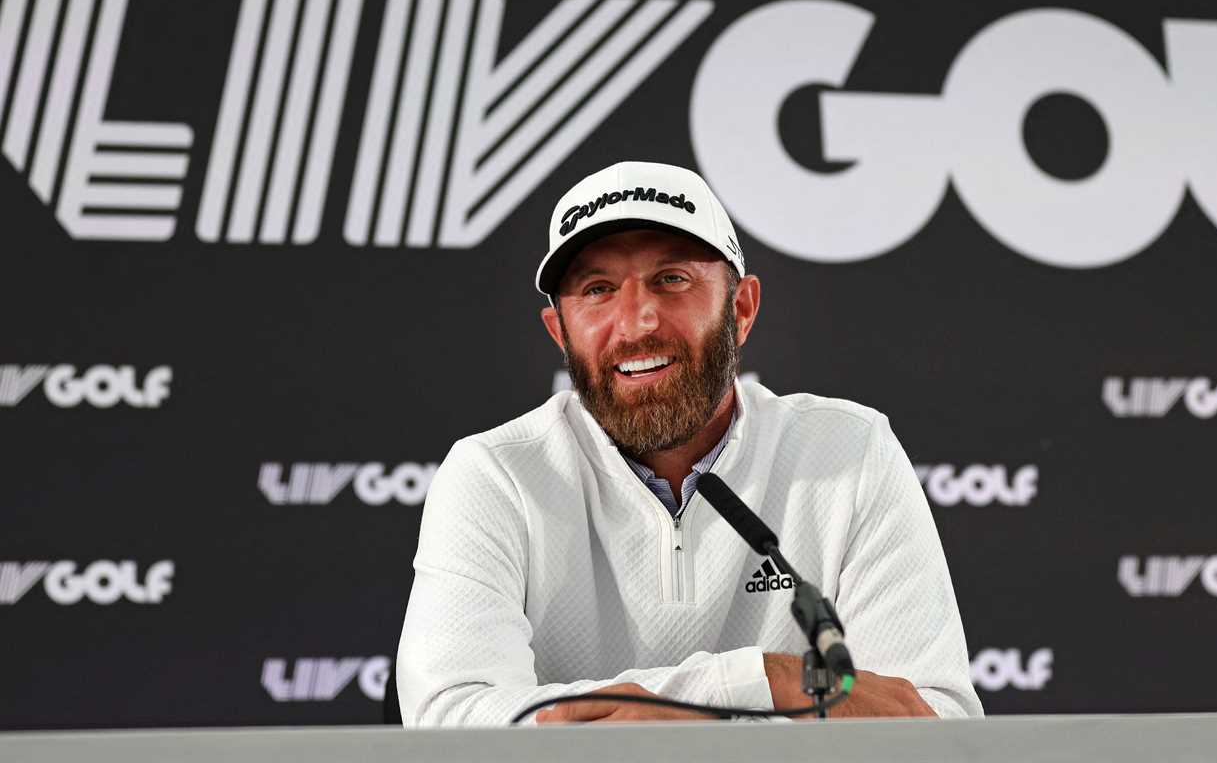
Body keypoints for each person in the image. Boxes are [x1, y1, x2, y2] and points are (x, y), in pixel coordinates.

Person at [396, 161, 982, 726]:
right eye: (597, 290)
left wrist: (646, 720)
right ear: (560, 331)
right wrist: (760, 681)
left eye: (671, 279)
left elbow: (932, 719)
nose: (637, 322)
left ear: (742, 308)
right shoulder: (496, 474)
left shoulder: (848, 453)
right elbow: (454, 718)